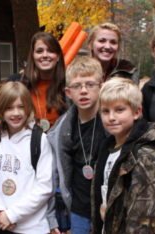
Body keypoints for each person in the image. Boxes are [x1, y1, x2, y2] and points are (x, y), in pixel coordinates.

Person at [90, 78, 155, 233]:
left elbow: (145, 218)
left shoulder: (147, 155)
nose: (111, 117)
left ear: (137, 112)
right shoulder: (107, 148)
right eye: (105, 111)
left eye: (119, 110)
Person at [0, 81, 55, 233]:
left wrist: (12, 215)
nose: (15, 113)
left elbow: (45, 187)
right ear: (1, 110)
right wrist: (0, 211)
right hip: (2, 224)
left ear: (28, 108)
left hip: (32, 228)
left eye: (21, 107)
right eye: (9, 108)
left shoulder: (38, 140)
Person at [47, 56, 106, 234]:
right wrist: (51, 216)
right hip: (79, 208)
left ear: (101, 87)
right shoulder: (61, 130)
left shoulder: (112, 123)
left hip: (109, 205)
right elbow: (53, 175)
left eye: (90, 84)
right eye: (77, 86)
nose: (83, 91)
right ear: (67, 92)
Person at [10, 31, 67, 131]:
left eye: (50, 51)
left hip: (58, 144)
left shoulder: (68, 85)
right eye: (39, 51)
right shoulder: (17, 82)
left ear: (58, 57)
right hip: (25, 142)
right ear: (32, 56)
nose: (45, 55)